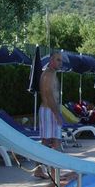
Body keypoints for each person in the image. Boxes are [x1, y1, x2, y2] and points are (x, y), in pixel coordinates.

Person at [36, 51, 63, 179]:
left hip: (48, 110)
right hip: (49, 111)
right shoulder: (48, 75)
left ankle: (39, 170)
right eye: (58, 60)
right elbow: (48, 95)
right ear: (51, 60)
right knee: (56, 142)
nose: (60, 63)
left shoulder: (50, 74)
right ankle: (55, 174)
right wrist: (57, 114)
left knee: (46, 141)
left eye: (60, 60)